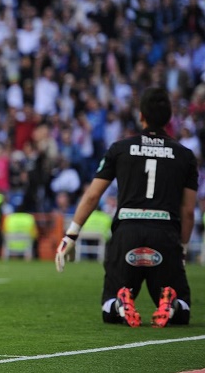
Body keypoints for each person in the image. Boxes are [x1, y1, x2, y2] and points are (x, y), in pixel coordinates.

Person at [55, 87, 197, 328]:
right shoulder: (185, 156)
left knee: (109, 307)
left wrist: (71, 234)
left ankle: (120, 303)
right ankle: (171, 302)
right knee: (182, 311)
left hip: (127, 233)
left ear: (141, 115)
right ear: (169, 118)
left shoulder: (120, 149)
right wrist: (181, 248)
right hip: (164, 232)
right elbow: (188, 212)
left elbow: (92, 196)